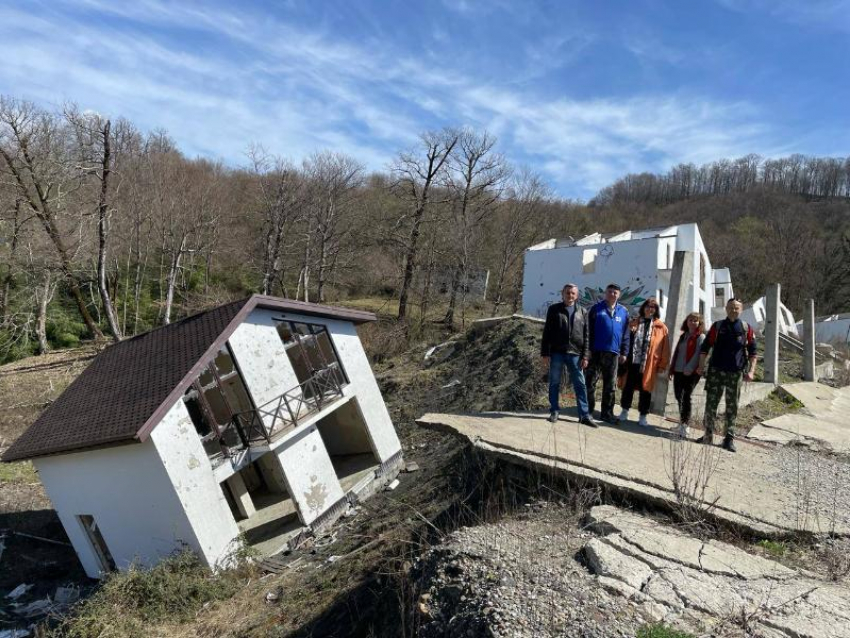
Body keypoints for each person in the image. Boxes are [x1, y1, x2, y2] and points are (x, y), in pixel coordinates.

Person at [696, 299, 757, 452]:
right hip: (716, 371)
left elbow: (754, 353)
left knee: (732, 406)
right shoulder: (717, 326)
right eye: (730, 307)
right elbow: (705, 348)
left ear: (741, 310)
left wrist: (751, 371)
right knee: (711, 404)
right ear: (726, 308)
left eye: (736, 308)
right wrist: (701, 367)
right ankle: (708, 435)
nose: (733, 310)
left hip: (735, 373)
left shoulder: (746, 328)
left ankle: (728, 438)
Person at [540, 283, 597, 427]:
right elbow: (547, 332)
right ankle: (554, 411)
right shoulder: (554, 310)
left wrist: (585, 356)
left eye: (573, 293)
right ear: (562, 294)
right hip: (557, 352)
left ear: (577, 296)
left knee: (580, 384)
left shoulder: (583, 311)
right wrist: (545, 353)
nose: (570, 295)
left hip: (575, 353)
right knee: (554, 383)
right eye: (567, 293)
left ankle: (584, 415)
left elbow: (587, 335)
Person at [617, 297, 670, 427]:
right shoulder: (634, 322)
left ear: (656, 310)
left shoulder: (661, 327)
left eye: (653, 307)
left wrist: (663, 364)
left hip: (649, 364)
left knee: (646, 389)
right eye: (647, 306)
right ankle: (624, 411)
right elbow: (625, 339)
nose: (649, 309)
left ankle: (643, 416)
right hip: (632, 361)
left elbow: (665, 348)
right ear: (643, 308)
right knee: (628, 387)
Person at [585, 283, 631, 423]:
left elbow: (626, 334)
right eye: (610, 292)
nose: (612, 294)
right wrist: (588, 351)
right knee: (590, 383)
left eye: (615, 292)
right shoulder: (596, 309)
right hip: (596, 352)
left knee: (610, 386)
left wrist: (624, 352)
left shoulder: (624, 312)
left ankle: (607, 413)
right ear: (605, 293)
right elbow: (588, 331)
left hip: (613, 354)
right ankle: (587, 410)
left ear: (619, 295)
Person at [668, 312, 706, 437]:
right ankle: (682, 422)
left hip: (691, 372)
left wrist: (689, 367)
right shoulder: (684, 335)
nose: (692, 322)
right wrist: (671, 369)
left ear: (699, 323)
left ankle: (685, 426)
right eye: (690, 320)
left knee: (686, 396)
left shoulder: (700, 337)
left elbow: (698, 354)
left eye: (695, 320)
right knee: (679, 396)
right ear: (687, 321)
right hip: (679, 370)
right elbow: (677, 353)